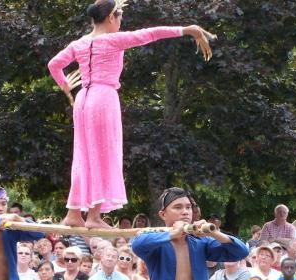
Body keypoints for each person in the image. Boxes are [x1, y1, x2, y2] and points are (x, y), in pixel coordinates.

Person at [48, 0, 216, 229]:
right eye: (119, 17)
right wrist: (186, 29)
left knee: (83, 154)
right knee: (103, 154)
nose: (120, 22)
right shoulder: (112, 40)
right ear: (110, 18)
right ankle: (94, 217)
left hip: (83, 99)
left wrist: (65, 85)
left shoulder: (79, 43)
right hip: (103, 97)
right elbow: (149, 34)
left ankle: (74, 213)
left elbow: (54, 64)